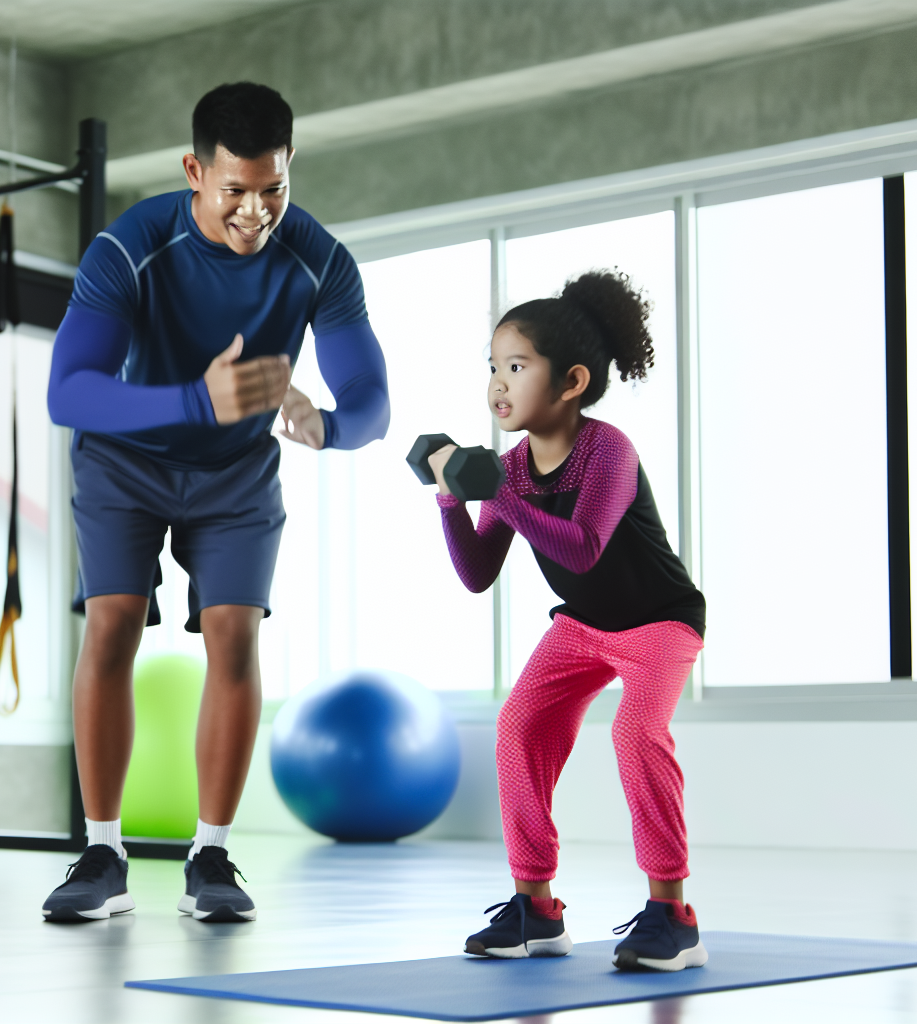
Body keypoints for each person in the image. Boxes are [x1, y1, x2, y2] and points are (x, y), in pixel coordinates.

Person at [39, 82, 389, 924]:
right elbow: (68, 393)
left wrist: (324, 422)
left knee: (234, 630)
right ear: (195, 172)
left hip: (234, 473)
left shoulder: (319, 260)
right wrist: (197, 401)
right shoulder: (130, 248)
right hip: (126, 459)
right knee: (114, 617)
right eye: (236, 191)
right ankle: (101, 850)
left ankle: (213, 853)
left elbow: (372, 403)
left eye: (274, 189)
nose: (256, 213)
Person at [427, 270, 707, 971]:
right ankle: (537, 911)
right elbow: (476, 574)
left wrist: (499, 494)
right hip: (582, 625)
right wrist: (450, 502)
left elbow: (582, 548)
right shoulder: (512, 468)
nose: (498, 383)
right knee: (519, 724)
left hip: (658, 622)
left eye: (517, 367)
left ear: (571, 381)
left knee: (636, 731)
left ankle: (672, 915)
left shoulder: (608, 450)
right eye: (492, 367)